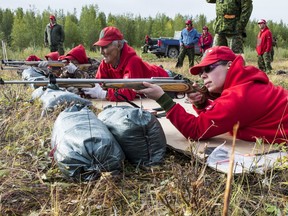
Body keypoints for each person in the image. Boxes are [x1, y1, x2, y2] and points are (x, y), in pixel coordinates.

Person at [136, 46, 288, 144]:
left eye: (208, 68)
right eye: (201, 72)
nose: (203, 75)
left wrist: (163, 99)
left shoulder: (237, 97)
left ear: (229, 65)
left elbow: (195, 130)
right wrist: (202, 103)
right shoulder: (245, 84)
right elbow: (223, 114)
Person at [81, 26, 170, 102]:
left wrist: (104, 94)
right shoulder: (106, 62)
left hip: (166, 78)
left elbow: (128, 93)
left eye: (105, 47)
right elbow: (99, 83)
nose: (101, 52)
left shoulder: (133, 62)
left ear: (119, 45)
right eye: (100, 47)